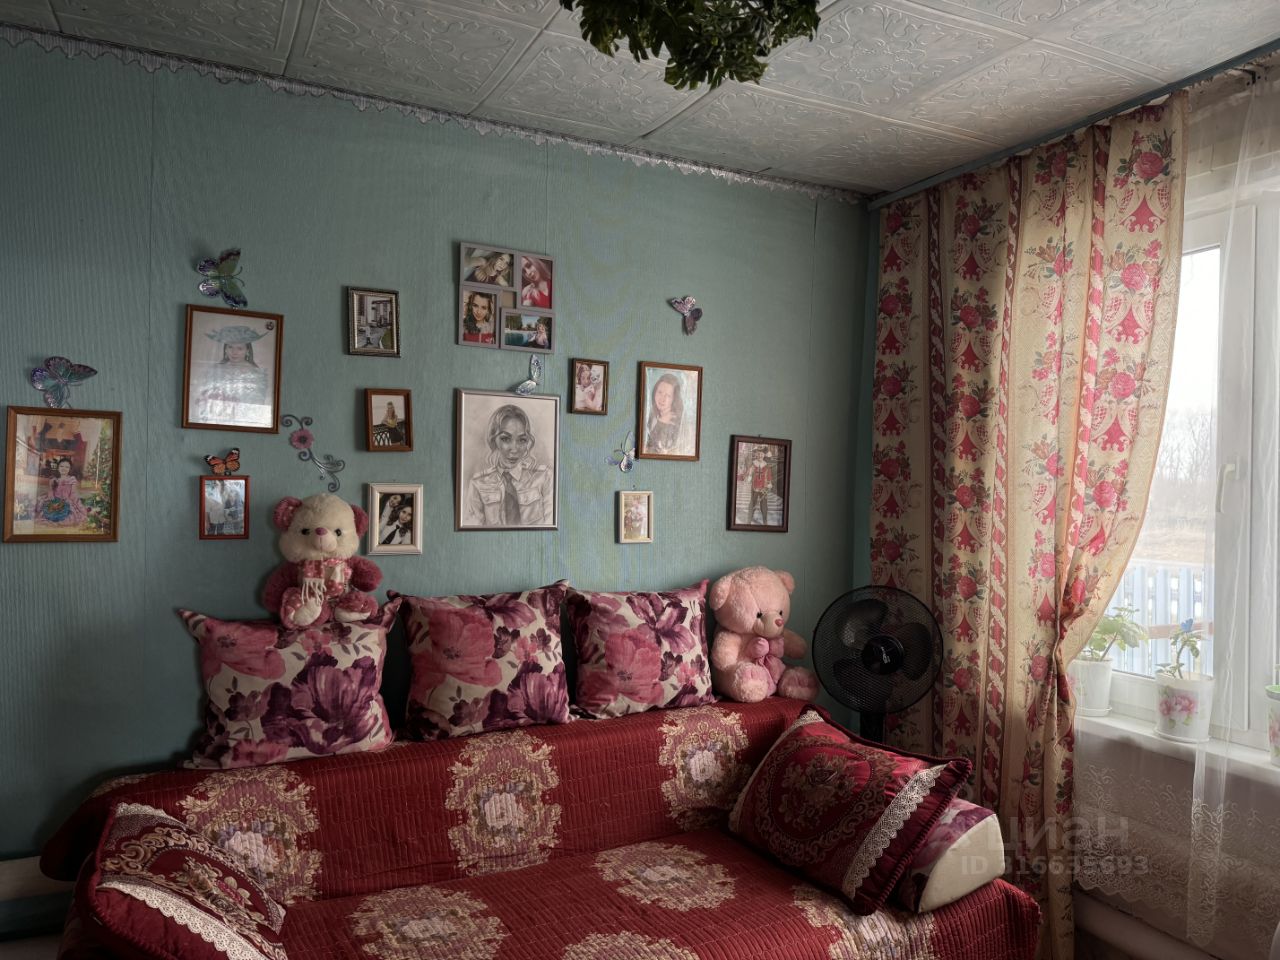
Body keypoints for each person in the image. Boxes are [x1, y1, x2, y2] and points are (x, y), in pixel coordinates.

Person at [463, 404, 553, 527]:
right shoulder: (478, 483)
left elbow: (550, 527)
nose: (514, 449)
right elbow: (472, 530)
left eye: (522, 440)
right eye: (505, 439)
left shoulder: (545, 477)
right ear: (493, 440)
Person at [196, 325, 269, 425]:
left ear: (247, 350)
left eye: (239, 348)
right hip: (218, 420)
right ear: (225, 349)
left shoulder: (257, 374)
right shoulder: (215, 371)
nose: (234, 352)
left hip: (245, 421)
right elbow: (206, 398)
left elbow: (258, 405)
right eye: (230, 347)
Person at [35, 457, 88, 527]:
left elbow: (73, 494)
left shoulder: (72, 479)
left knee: (67, 516)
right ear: (58, 467)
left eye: (67, 467)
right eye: (61, 466)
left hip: (67, 501)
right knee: (48, 511)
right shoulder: (54, 480)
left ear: (70, 469)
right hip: (55, 501)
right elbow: (51, 493)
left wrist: (73, 503)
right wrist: (53, 500)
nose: (64, 468)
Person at [644, 373, 683, 455]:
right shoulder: (651, 413)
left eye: (668, 396)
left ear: (674, 399)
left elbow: (651, 448)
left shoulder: (674, 422)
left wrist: (660, 423)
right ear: (654, 392)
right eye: (660, 392)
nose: (662, 399)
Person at [742, 445, 774, 524]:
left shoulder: (766, 466)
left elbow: (769, 476)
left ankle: (765, 522)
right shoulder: (753, 465)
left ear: (764, 455)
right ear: (756, 454)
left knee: (764, 506)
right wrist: (749, 475)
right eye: (758, 454)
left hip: (764, 489)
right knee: (752, 504)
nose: (760, 455)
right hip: (754, 488)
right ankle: (749, 521)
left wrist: (769, 483)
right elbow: (747, 476)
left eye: (761, 454)